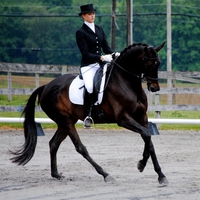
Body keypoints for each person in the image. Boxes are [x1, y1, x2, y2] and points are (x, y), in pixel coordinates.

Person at [76, 4, 119, 128]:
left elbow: (105, 47)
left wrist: (114, 53)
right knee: (89, 86)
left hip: (101, 64)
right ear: (83, 16)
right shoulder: (80, 32)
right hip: (88, 65)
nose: (92, 16)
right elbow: (85, 53)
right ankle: (87, 116)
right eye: (89, 14)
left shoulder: (99, 29)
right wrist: (100, 57)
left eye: (93, 13)